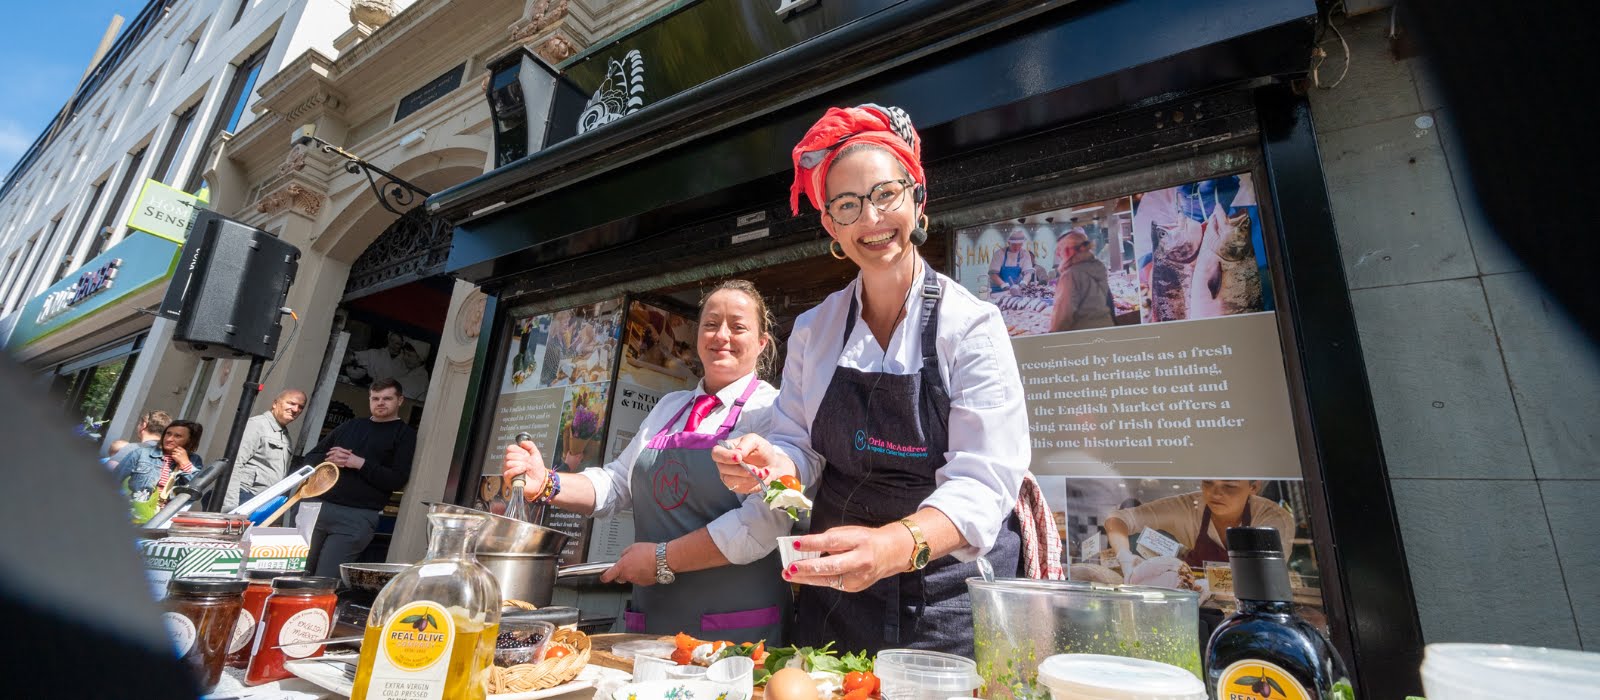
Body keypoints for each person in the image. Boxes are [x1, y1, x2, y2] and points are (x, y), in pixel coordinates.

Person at [712, 104, 1032, 656]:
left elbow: (985, 483)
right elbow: (799, 446)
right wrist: (771, 461)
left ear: (916, 196)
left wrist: (891, 546)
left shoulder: (971, 326)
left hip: (948, 600)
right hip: (835, 591)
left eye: (886, 194)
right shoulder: (814, 331)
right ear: (830, 225)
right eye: (847, 205)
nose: (871, 219)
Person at [504, 281, 793, 643]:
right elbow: (615, 483)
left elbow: (760, 526)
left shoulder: (773, 411)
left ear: (762, 342)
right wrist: (546, 482)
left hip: (736, 629)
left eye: (738, 327)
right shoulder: (669, 408)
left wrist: (661, 560)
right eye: (710, 324)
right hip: (655, 621)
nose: (722, 336)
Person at [302, 378, 418, 578]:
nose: (380, 403)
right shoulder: (351, 425)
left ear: (400, 400)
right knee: (295, 573)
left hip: (357, 516)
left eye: (387, 398)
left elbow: (397, 479)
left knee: (326, 579)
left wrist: (360, 463)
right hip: (317, 507)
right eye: (375, 398)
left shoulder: (405, 434)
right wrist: (329, 459)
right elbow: (309, 459)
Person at [1104, 480, 1295, 575]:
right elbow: (1118, 519)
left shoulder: (1273, 518)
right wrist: (1124, 555)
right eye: (1208, 483)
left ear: (1254, 487)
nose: (1215, 493)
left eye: (1229, 486)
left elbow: (1266, 575)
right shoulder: (1191, 506)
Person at [221, 389, 307, 510]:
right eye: (291, 403)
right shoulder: (257, 425)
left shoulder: (285, 435)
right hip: (243, 497)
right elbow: (233, 463)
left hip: (262, 501)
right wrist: (230, 506)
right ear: (275, 403)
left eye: (301, 407)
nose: (295, 410)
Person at [114, 420, 206, 525]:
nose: (169, 439)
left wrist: (185, 465)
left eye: (178, 436)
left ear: (190, 441)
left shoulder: (194, 461)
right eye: (168, 433)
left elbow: (196, 489)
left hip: (167, 519)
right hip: (134, 516)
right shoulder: (142, 454)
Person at [1050, 229, 1116, 332]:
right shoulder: (1098, 266)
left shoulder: (1071, 275)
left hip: (1084, 334)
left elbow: (1063, 315)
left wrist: (1051, 338)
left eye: (1060, 250)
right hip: (1106, 327)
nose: (1058, 254)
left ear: (1069, 250)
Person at [105, 409, 171, 472]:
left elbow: (107, 473)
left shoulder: (132, 449)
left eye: (139, 423)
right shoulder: (169, 455)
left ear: (144, 425)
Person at [988, 227, 1036, 292]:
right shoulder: (999, 254)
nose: (1017, 248)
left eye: (1020, 245)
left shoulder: (1024, 254)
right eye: (1014, 245)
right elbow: (993, 274)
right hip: (998, 290)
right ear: (1008, 243)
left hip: (1016, 290)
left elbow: (1028, 273)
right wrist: (1003, 285)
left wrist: (1024, 282)